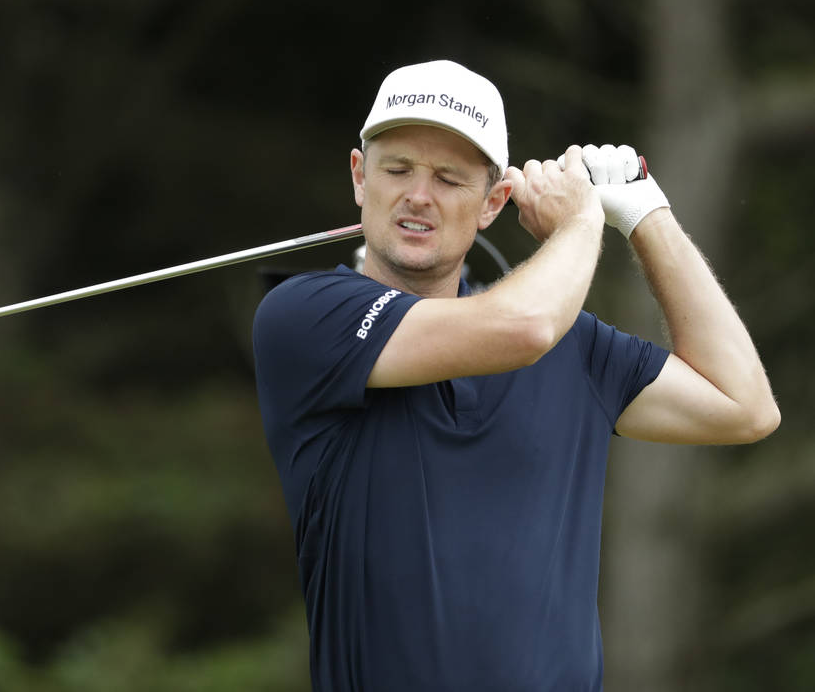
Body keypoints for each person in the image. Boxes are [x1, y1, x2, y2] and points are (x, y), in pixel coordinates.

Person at [251, 60, 780, 691]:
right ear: (360, 178)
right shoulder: (306, 317)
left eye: (450, 179)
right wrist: (583, 219)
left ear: (493, 202)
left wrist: (646, 215)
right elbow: (522, 326)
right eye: (398, 170)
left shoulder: (573, 348)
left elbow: (743, 405)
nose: (419, 195)